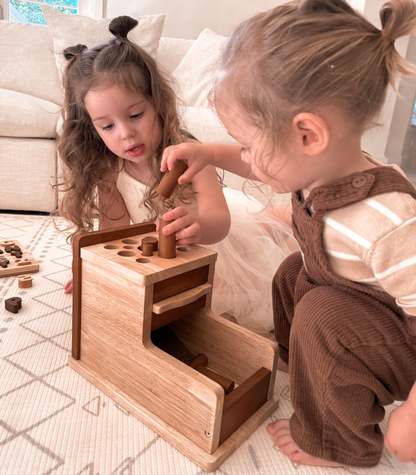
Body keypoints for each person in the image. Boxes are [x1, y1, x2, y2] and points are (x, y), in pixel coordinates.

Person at [161, 0, 416, 467]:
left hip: (402, 341)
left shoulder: (388, 221)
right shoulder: (316, 169)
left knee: (320, 311)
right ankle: (300, 363)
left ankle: (338, 442)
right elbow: (265, 166)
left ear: (308, 136)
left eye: (248, 146)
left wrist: (413, 415)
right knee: (293, 270)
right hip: (356, 307)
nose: (247, 158)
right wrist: (211, 155)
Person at [55, 15, 294, 334]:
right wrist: (95, 265)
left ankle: (288, 215)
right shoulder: (108, 169)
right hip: (161, 254)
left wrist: (199, 228)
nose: (126, 133)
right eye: (107, 126)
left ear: (158, 104)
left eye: (136, 115)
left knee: (224, 313)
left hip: (207, 248)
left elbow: (219, 221)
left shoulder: (188, 154)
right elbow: (114, 228)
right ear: (92, 129)